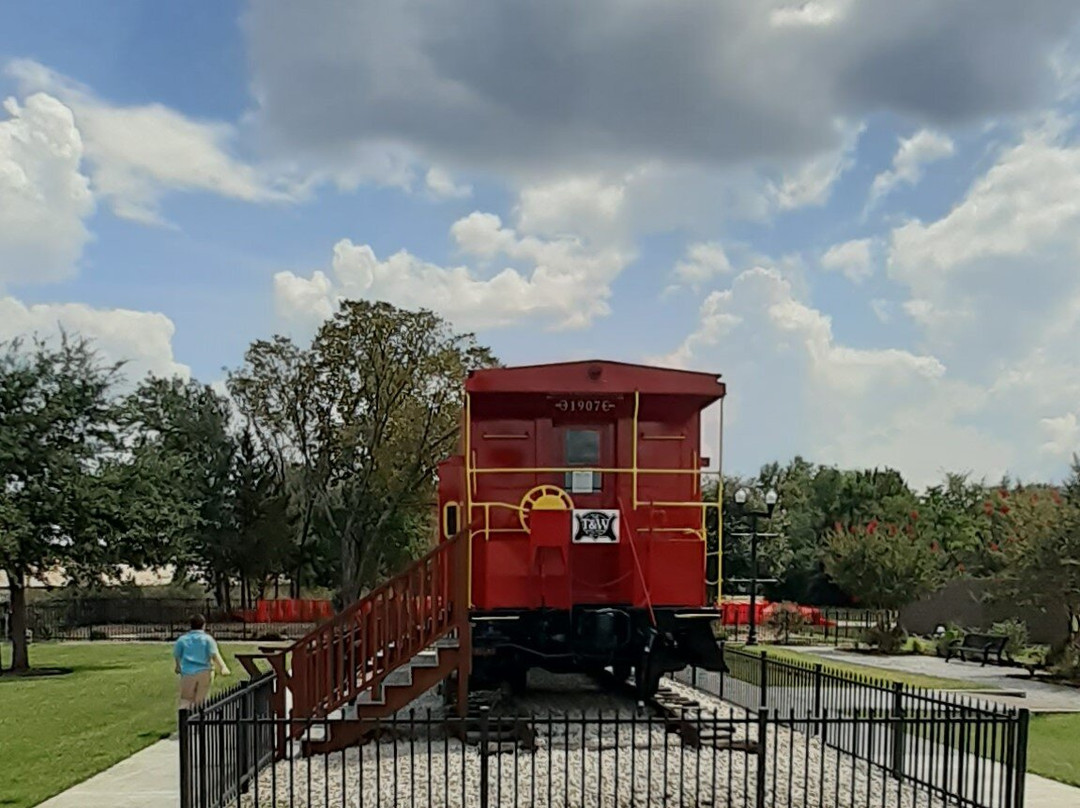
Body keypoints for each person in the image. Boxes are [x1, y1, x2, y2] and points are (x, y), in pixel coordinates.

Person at [174, 614, 230, 709]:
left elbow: (177, 655)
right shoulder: (208, 639)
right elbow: (214, 655)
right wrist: (223, 667)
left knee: (186, 699)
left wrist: (178, 666)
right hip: (205, 671)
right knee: (201, 700)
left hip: (187, 672)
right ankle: (200, 716)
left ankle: (185, 716)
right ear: (204, 625)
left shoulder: (182, 640)